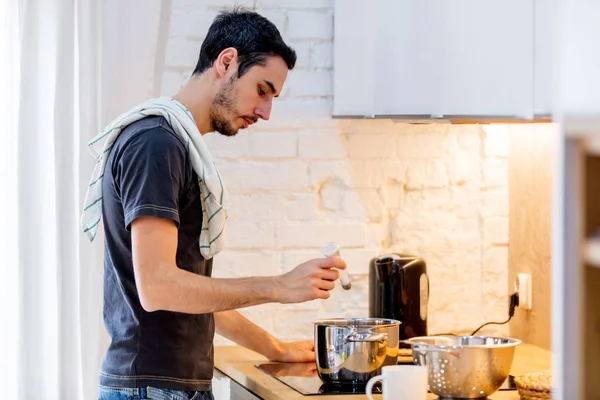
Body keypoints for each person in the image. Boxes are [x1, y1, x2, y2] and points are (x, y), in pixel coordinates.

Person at [85, 7, 347, 400]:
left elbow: (193, 293)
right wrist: (278, 286)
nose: (266, 112)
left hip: (162, 386)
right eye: (263, 90)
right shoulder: (155, 143)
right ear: (227, 62)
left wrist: (275, 349)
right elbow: (158, 286)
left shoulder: (172, 144)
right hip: (151, 389)